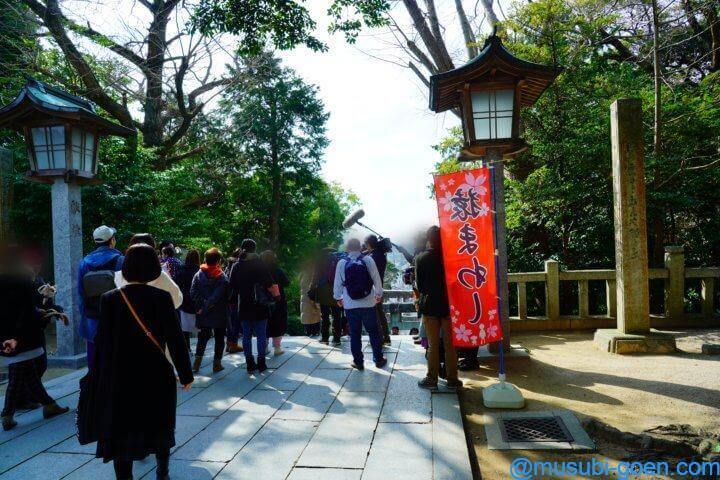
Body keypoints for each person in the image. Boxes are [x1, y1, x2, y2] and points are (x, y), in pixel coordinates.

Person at [92, 243, 193, 479]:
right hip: (156, 372)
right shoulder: (161, 297)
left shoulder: (109, 299)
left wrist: (98, 376)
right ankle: (162, 472)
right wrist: (185, 374)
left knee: (121, 428)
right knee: (160, 423)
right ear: (153, 268)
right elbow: (175, 339)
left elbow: (102, 341)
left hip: (120, 375)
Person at [1, 246, 69, 431]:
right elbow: (27, 309)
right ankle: (7, 413)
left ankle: (48, 404)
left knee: (28, 371)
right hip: (22, 333)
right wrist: (49, 311)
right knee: (18, 372)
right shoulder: (20, 279)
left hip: (12, 333)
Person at [415, 226, 462, 390]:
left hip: (430, 306)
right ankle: (452, 380)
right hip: (449, 305)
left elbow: (420, 286)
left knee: (433, 345)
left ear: (429, 239)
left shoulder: (421, 258)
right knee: (450, 345)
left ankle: (432, 378)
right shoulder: (452, 257)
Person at [333, 238, 386, 370]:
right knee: (373, 332)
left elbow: (337, 283)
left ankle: (358, 362)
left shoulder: (342, 262)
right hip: (368, 302)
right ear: (361, 248)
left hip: (350, 304)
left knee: (355, 334)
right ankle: (378, 359)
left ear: (347, 248)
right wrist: (378, 295)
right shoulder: (368, 260)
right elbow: (376, 279)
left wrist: (338, 297)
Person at [78, 225, 124, 369]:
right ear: (112, 241)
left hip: (92, 317)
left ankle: (94, 386)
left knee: (94, 359)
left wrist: (85, 313)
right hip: (116, 318)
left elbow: (80, 293)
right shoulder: (120, 260)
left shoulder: (84, 263)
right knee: (115, 359)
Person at [228, 239, 276, 373]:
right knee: (261, 334)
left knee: (246, 336)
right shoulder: (260, 264)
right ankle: (261, 362)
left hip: (244, 305)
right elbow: (269, 283)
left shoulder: (237, 266)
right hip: (260, 305)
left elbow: (232, 287)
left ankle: (249, 363)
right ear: (254, 249)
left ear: (243, 249)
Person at [114, 233, 183, 310]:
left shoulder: (116, 277)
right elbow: (177, 300)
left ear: (129, 251)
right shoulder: (161, 277)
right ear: (152, 252)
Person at [190, 248, 230, 373]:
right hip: (219, 312)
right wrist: (208, 304)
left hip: (203, 312)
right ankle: (216, 364)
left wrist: (202, 305)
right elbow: (219, 296)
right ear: (218, 261)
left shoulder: (198, 274)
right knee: (219, 338)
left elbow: (192, 292)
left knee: (203, 337)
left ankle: (196, 364)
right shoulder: (222, 277)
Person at [363, 234, 392, 345]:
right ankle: (386, 338)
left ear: (369, 244)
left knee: (375, 314)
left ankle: (379, 339)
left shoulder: (372, 257)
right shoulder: (381, 254)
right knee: (380, 313)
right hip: (379, 286)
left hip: (373, 288)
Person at [313, 248, 344, 345]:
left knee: (325, 316)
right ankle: (337, 338)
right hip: (336, 291)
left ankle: (325, 338)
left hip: (323, 291)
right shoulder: (339, 260)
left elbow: (315, 277)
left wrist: (312, 288)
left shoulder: (319, 260)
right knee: (337, 316)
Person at [261, 250, 289, 356]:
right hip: (278, 301)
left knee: (264, 323)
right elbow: (287, 283)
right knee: (278, 322)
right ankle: (277, 348)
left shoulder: (260, 271)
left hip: (263, 301)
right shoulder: (278, 270)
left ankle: (264, 347)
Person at [175, 249, 201, 350]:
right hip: (198, 302)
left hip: (184, 301)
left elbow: (175, 284)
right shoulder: (200, 271)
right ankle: (200, 350)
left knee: (184, 328)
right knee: (201, 328)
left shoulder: (181, 270)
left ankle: (187, 348)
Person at [223, 248, 243, 353]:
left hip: (228, 298)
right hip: (235, 298)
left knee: (230, 322)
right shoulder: (237, 266)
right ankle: (233, 345)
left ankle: (228, 344)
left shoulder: (228, 266)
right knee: (235, 322)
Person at [299, 260, 321, 336]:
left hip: (306, 299)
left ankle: (310, 332)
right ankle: (313, 332)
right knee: (312, 316)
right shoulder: (310, 274)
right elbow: (308, 288)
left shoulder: (304, 274)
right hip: (310, 298)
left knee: (309, 316)